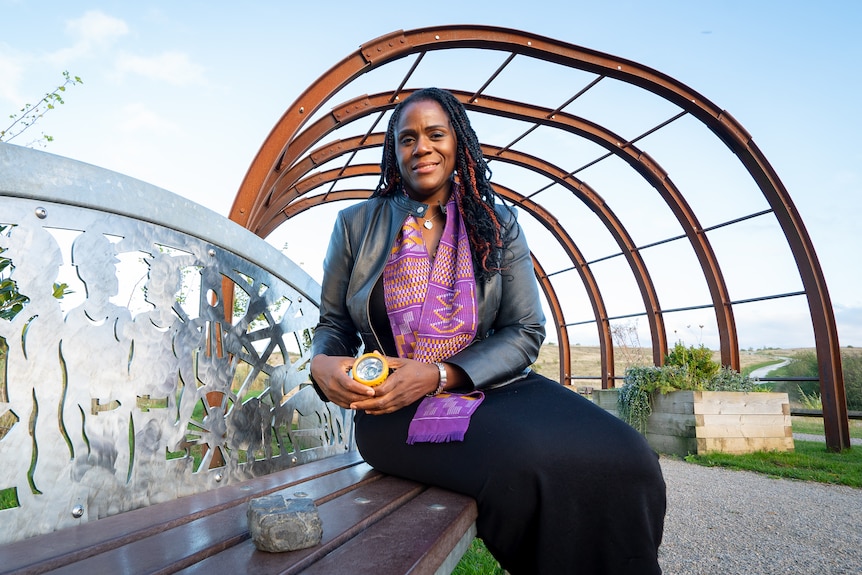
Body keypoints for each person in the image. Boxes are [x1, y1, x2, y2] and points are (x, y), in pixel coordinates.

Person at [310, 87, 666, 574]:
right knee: (528, 461)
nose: (422, 148)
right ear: (393, 152)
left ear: (458, 143)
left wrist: (439, 375)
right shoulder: (355, 225)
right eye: (407, 139)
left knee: (628, 454)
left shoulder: (496, 222)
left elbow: (523, 330)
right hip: (393, 407)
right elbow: (333, 324)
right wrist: (322, 362)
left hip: (489, 384)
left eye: (435, 134)